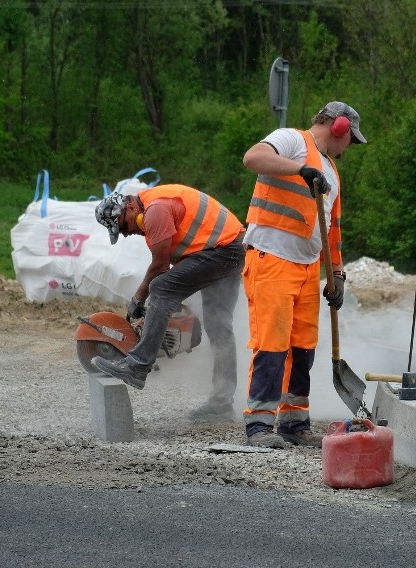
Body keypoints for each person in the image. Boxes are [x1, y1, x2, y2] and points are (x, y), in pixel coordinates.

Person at [240, 101, 367, 448]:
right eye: (349, 140)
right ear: (338, 127)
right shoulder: (293, 141)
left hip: (308, 269)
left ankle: (294, 423)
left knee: (303, 348)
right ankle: (259, 426)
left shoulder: (332, 174)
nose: (348, 148)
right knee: (271, 344)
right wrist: (300, 170)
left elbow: (333, 230)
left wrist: (337, 274)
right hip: (272, 259)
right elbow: (252, 158)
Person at [92, 183, 246, 421]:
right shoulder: (153, 206)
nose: (125, 233)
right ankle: (222, 403)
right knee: (219, 326)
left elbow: (161, 266)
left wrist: (139, 297)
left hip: (223, 251)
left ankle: (137, 365)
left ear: (130, 207)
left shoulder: (156, 211)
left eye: (122, 226)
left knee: (161, 288)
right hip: (230, 250)